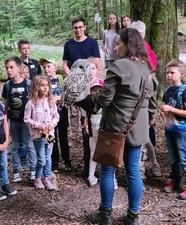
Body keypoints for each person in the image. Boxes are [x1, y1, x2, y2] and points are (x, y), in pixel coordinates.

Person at [75, 28, 158, 225]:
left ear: (128, 45)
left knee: (107, 170)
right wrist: (147, 122)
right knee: (133, 171)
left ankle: (105, 215)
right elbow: (153, 105)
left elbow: (103, 99)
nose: (115, 47)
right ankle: (133, 216)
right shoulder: (148, 70)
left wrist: (80, 100)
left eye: (118, 43)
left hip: (114, 129)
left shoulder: (118, 67)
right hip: (137, 130)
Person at [62, 16, 101, 177]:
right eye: (75, 27)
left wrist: (88, 77)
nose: (77, 30)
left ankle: (95, 165)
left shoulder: (91, 42)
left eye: (80, 27)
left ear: (84, 27)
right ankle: (86, 164)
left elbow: (96, 62)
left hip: (90, 84)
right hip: (75, 85)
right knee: (80, 124)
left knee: (92, 125)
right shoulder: (68, 44)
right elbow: (65, 62)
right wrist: (73, 78)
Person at [160, 59, 186, 200]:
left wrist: (170, 109)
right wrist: (165, 111)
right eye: (167, 73)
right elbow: (169, 106)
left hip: (180, 129)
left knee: (184, 156)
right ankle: (175, 179)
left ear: (181, 74)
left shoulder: (185, 90)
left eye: (172, 72)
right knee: (173, 157)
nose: (169, 75)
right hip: (169, 127)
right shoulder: (168, 90)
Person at [130, 20, 161, 179]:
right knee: (137, 134)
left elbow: (150, 69)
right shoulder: (129, 50)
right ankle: (139, 172)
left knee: (145, 132)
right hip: (134, 96)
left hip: (146, 93)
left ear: (142, 34)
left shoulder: (147, 50)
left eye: (135, 33)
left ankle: (152, 164)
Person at [2, 56, 37, 182]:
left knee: (30, 145)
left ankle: (33, 169)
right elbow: (5, 105)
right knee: (15, 146)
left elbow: (34, 102)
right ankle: (16, 171)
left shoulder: (28, 84)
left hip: (27, 122)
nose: (9, 70)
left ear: (19, 68)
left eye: (11, 67)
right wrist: (5, 122)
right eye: (7, 68)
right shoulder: (7, 85)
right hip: (14, 121)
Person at [85, 63, 118, 189]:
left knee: (108, 154)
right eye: (94, 90)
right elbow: (86, 115)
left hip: (106, 129)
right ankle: (91, 175)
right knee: (93, 152)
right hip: (94, 130)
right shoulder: (90, 102)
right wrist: (85, 123)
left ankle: (112, 178)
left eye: (99, 90)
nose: (97, 92)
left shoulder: (107, 102)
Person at [24, 75, 60, 191]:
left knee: (48, 158)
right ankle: (38, 178)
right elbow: (26, 119)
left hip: (49, 135)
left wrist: (52, 124)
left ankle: (47, 178)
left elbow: (56, 116)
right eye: (42, 85)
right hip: (38, 136)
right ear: (36, 87)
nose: (45, 88)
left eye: (47, 85)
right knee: (41, 159)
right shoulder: (31, 103)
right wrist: (37, 125)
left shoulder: (50, 102)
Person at [38, 58, 72, 173]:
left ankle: (67, 161)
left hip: (62, 111)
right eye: (44, 67)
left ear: (55, 68)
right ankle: (54, 162)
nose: (46, 69)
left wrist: (59, 98)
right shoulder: (43, 81)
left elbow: (66, 93)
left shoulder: (61, 79)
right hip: (49, 114)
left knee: (63, 137)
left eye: (48, 66)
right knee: (52, 137)